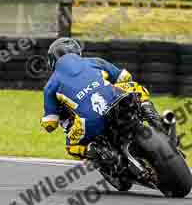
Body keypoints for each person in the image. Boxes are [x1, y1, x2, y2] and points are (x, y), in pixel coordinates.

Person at [40, 37, 177, 169]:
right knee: (135, 87)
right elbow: (124, 77)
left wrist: (47, 122)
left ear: (52, 61)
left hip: (91, 120)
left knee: (72, 148)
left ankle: (102, 153)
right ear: (77, 52)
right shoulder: (94, 61)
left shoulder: (50, 85)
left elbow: (50, 124)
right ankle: (152, 115)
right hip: (118, 100)